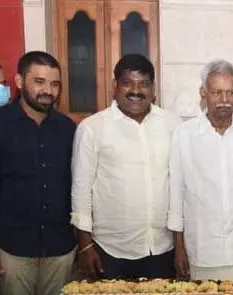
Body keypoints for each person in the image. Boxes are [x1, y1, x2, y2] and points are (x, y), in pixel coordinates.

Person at [0, 51, 77, 295]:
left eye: (54, 84)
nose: (48, 91)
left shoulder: (67, 128)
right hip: (12, 248)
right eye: (39, 82)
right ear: (19, 81)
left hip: (60, 247)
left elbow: (75, 185)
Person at [71, 54, 181, 281]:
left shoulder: (173, 125)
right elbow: (81, 190)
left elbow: (180, 185)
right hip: (110, 251)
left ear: (153, 88)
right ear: (115, 86)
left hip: (161, 248)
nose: (136, 90)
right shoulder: (92, 128)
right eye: (128, 83)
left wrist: (181, 245)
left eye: (143, 84)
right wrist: (85, 246)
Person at [169, 59, 233, 281]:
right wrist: (179, 248)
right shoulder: (184, 135)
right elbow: (176, 193)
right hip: (203, 251)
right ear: (203, 94)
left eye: (230, 93)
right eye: (217, 93)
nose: (225, 100)